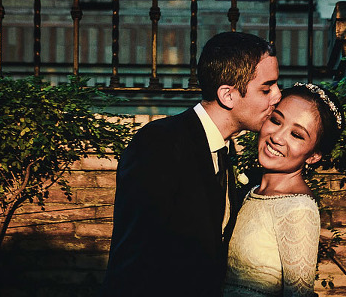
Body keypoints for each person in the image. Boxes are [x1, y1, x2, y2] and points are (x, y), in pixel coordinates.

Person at [101, 31, 281, 297]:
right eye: (266, 88)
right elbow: (135, 257)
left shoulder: (223, 149)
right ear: (227, 95)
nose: (277, 96)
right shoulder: (160, 143)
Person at [222, 82, 344, 297]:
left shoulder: (298, 209)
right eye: (276, 121)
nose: (277, 138)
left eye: (297, 135)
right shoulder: (253, 192)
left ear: (314, 156)